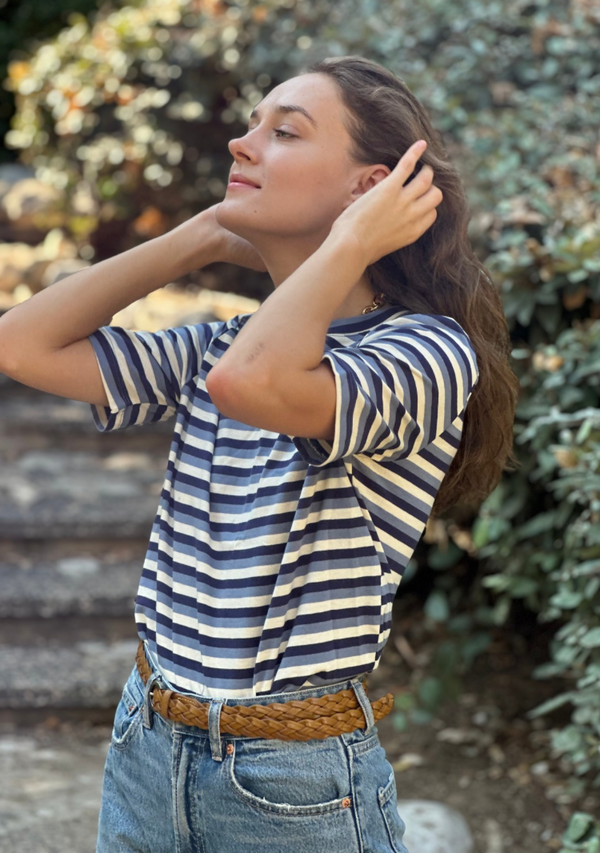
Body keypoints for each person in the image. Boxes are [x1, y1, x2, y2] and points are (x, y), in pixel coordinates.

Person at [0, 55, 519, 853]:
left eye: (284, 131)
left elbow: (253, 385)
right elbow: (23, 344)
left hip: (292, 780)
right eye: (251, 126)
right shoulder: (226, 342)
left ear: (368, 188)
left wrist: (344, 246)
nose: (244, 146)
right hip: (147, 741)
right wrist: (196, 236)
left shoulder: (426, 353)